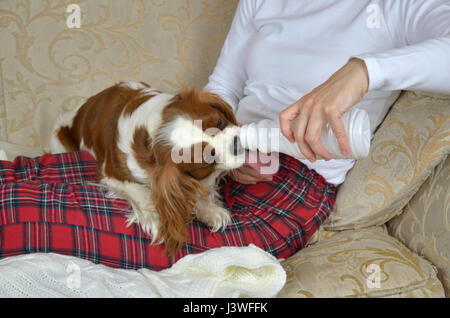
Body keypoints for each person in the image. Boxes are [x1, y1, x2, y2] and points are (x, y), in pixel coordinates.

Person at [0, 0, 448, 270]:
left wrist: (364, 70)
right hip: (221, 149)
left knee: (32, 217)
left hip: (292, 183)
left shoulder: (398, 6)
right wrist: (227, 144)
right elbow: (224, 89)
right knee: (53, 171)